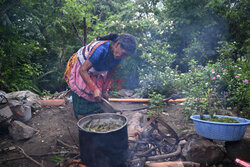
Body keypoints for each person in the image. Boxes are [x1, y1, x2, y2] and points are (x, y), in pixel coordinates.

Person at [64, 33, 137, 119]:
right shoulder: (100, 50)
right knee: (84, 95)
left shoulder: (118, 57)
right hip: (83, 69)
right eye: (123, 54)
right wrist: (94, 88)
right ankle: (82, 117)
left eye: (126, 56)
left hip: (97, 71)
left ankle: (96, 113)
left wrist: (105, 89)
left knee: (99, 95)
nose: (123, 57)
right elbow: (83, 70)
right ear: (117, 44)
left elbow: (110, 74)